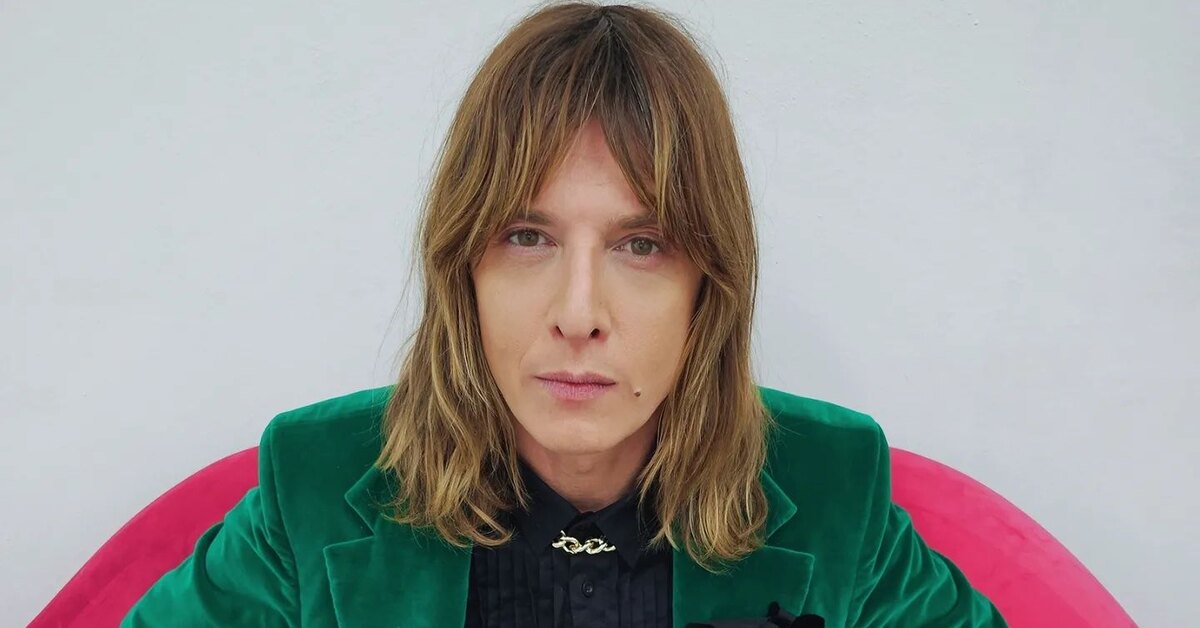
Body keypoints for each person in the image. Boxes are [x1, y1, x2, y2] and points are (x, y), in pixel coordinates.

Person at [123, 2, 1007, 626]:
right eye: (527, 236)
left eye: (642, 244)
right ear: (463, 267)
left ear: (709, 285)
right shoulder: (313, 481)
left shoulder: (833, 484)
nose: (579, 313)